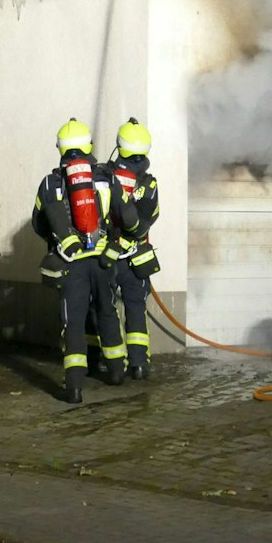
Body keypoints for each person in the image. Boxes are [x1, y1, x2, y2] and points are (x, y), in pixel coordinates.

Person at [33, 118, 125, 403]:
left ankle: (73, 386)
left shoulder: (50, 182)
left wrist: (62, 240)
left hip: (70, 262)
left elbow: (38, 223)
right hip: (102, 262)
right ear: (89, 146)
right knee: (106, 312)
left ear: (60, 148)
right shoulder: (107, 178)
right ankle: (116, 371)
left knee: (72, 322)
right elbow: (125, 216)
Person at [105, 118, 162, 380]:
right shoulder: (149, 184)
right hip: (136, 258)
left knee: (104, 308)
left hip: (106, 255)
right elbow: (151, 217)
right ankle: (139, 365)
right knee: (136, 307)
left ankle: (111, 363)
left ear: (120, 146)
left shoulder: (104, 177)